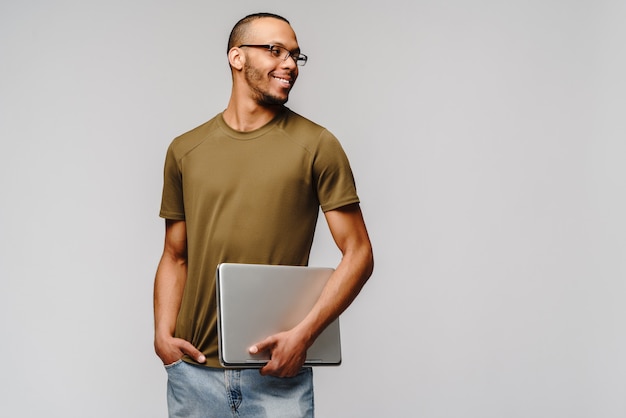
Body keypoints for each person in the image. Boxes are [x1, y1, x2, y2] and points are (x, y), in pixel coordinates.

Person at [154, 12, 374, 417]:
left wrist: (304, 337)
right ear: (237, 58)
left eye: (295, 55)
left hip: (278, 375)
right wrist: (162, 339)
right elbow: (175, 255)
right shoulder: (185, 150)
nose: (289, 64)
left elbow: (359, 253)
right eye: (275, 50)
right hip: (193, 375)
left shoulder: (317, 145)